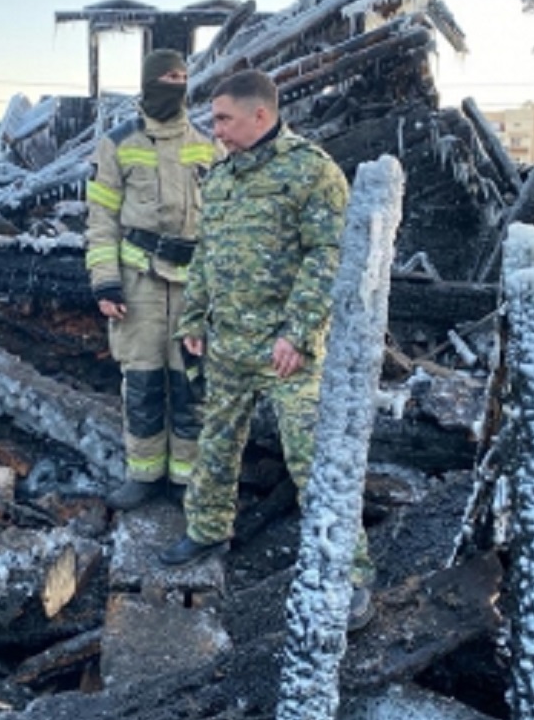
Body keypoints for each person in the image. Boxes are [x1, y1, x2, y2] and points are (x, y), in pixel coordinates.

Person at [158, 68, 375, 632]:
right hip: (228, 343)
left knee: (313, 456)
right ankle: (207, 531)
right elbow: (208, 254)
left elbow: (328, 256)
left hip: (288, 352)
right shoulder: (224, 177)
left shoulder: (312, 171)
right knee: (215, 441)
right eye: (214, 120)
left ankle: (349, 573)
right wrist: (196, 316)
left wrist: (298, 333)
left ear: (261, 114)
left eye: (225, 119)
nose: (217, 130)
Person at [85, 48, 219, 510]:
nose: (176, 83)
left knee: (189, 386)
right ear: (148, 82)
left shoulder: (207, 143)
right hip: (138, 282)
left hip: (193, 287)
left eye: (182, 76)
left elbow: (223, 220)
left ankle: (185, 479)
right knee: (142, 385)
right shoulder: (118, 143)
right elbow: (101, 219)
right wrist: (105, 283)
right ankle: (143, 475)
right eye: (166, 76)